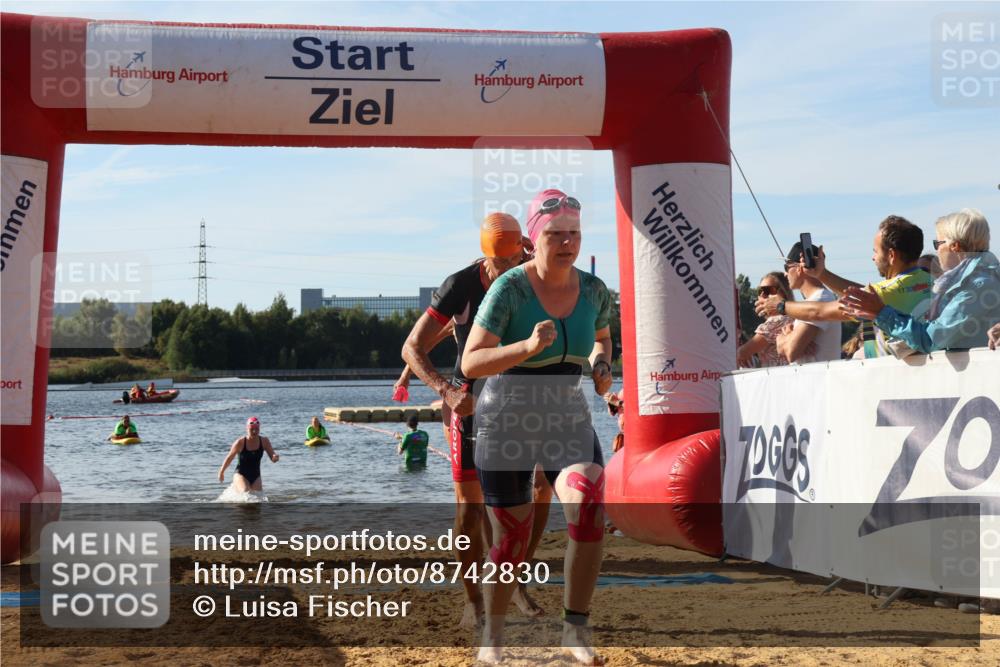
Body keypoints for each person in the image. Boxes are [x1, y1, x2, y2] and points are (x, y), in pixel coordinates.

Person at [462, 188, 612, 666]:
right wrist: (525, 347)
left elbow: (602, 339)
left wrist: (603, 364)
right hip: (508, 418)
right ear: (533, 237)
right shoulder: (511, 289)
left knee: (588, 510)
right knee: (511, 541)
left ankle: (575, 631)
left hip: (566, 417)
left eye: (574, 234)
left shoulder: (593, 290)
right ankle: (493, 639)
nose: (566, 243)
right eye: (554, 234)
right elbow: (471, 362)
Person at [400, 212, 548, 627]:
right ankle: (473, 602)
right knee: (470, 505)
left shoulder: (535, 272)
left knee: (536, 493)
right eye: (500, 265)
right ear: (485, 257)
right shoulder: (459, 286)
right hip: (471, 404)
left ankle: (514, 579)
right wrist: (446, 391)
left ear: (524, 248)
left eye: (515, 260)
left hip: (521, 403)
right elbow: (411, 347)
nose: (508, 272)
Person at [757, 216, 933, 359]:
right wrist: (822, 274)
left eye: (875, 251)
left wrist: (781, 306)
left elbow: (820, 312)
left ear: (892, 255)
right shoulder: (931, 280)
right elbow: (864, 293)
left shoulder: (886, 292)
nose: (873, 258)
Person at [841, 208, 1000, 352]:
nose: (936, 250)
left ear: (955, 247)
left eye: (938, 243)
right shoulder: (982, 279)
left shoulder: (975, 286)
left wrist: (882, 313)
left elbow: (930, 340)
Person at [761, 241, 842, 364]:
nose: (785, 273)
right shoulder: (818, 299)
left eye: (787, 267)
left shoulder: (820, 299)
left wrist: (783, 338)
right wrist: (790, 338)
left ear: (799, 268)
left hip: (816, 381)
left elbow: (790, 352)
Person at [738, 272, 798, 367]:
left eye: (768, 290)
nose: (762, 294)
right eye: (759, 291)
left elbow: (742, 354)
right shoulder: (795, 317)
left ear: (783, 292)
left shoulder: (778, 320)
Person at [218, 416, 279, 493]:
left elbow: (273, 457)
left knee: (258, 497)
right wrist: (221, 472)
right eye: (252, 429)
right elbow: (229, 458)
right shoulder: (240, 442)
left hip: (256, 476)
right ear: (247, 429)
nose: (254, 431)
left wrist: (275, 457)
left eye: (256, 429)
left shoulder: (264, 441)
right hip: (241, 474)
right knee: (246, 493)